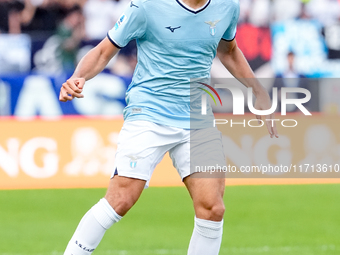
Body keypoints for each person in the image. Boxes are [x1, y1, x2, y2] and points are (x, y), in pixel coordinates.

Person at [59, 0, 279, 254]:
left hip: (197, 116)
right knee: (121, 199)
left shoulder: (226, 6)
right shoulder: (146, 6)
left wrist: (258, 90)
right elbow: (103, 51)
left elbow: (228, 51)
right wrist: (79, 77)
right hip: (149, 112)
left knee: (212, 208)